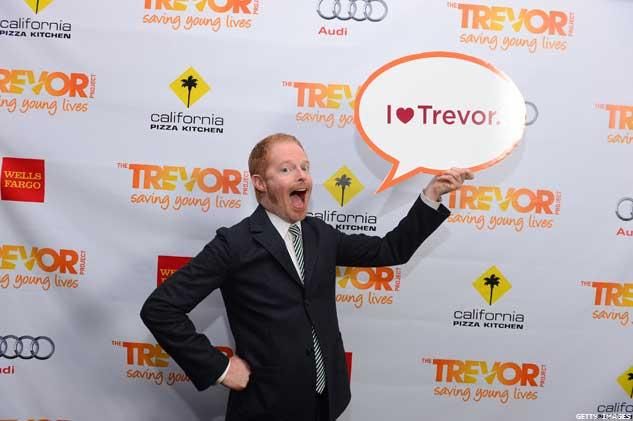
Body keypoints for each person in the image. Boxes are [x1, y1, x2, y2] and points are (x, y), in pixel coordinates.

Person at [140, 133, 473, 421]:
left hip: (326, 403)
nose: (302, 176)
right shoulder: (234, 243)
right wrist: (220, 368)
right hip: (267, 408)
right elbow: (160, 309)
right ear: (260, 183)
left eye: (305, 167)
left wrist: (431, 196)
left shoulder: (320, 234)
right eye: (286, 169)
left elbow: (390, 250)